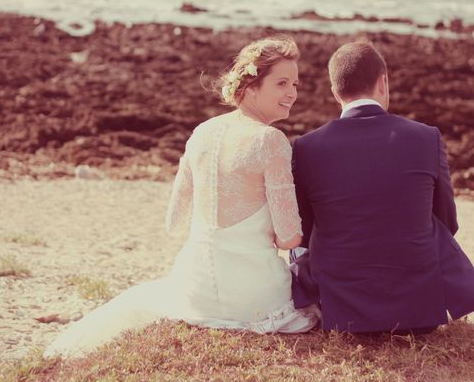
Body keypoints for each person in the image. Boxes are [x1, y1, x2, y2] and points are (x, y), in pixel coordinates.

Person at [45, 36, 318, 358]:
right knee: (316, 301)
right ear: (251, 84)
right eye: (282, 83)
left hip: (196, 287)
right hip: (253, 296)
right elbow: (289, 239)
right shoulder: (269, 140)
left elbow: (174, 221)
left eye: (296, 84)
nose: (292, 94)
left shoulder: (201, 132)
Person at [290, 40, 474, 334]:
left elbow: (305, 233)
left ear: (335, 92)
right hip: (418, 311)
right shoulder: (426, 138)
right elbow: (447, 220)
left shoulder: (307, 148)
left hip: (343, 311)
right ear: (383, 82)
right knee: (427, 220)